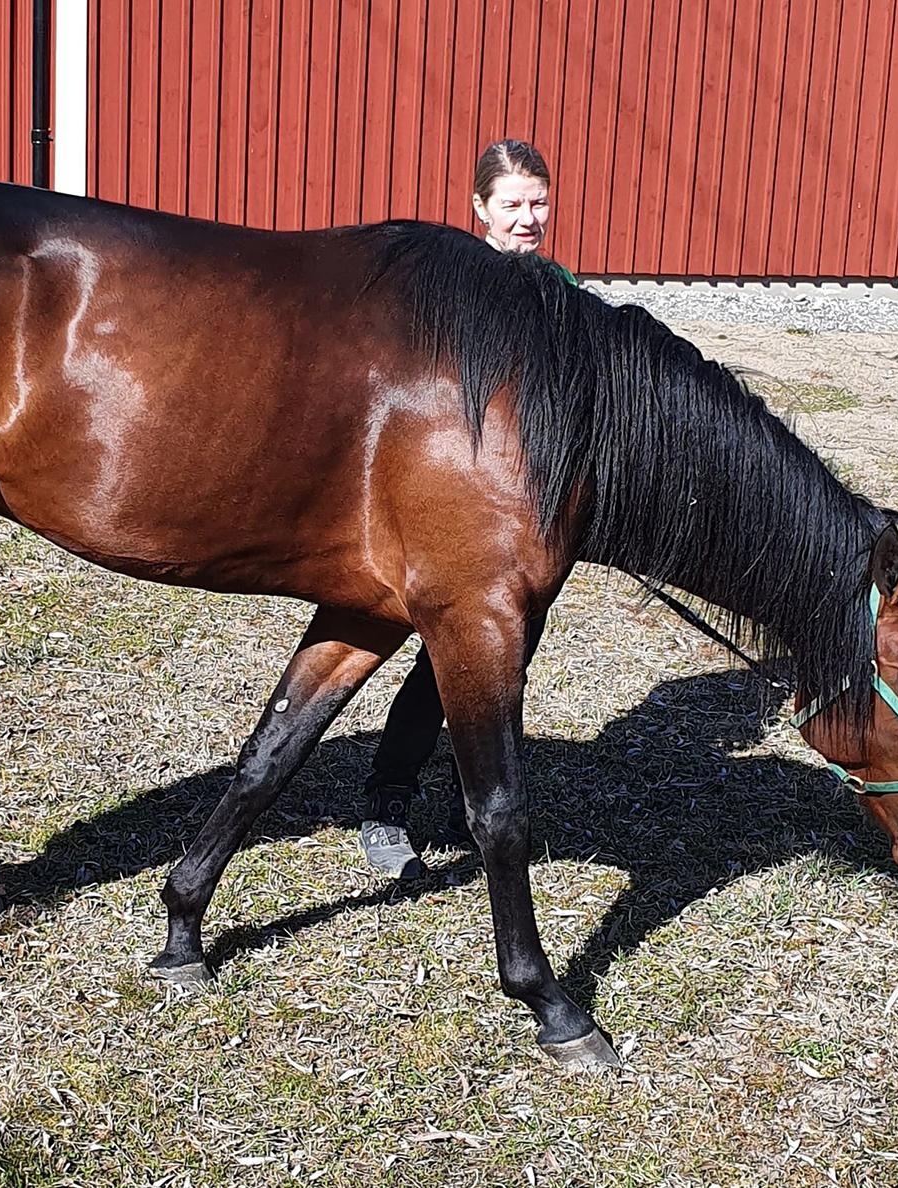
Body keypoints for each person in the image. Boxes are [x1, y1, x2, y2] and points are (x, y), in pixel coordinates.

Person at [358, 140, 577, 878]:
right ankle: (386, 803)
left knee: (501, 674)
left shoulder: (558, 288)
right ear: (479, 208)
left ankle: (467, 802)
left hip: (530, 520)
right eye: (512, 204)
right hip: (451, 515)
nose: (528, 218)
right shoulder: (452, 286)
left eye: (538, 202)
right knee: (431, 673)